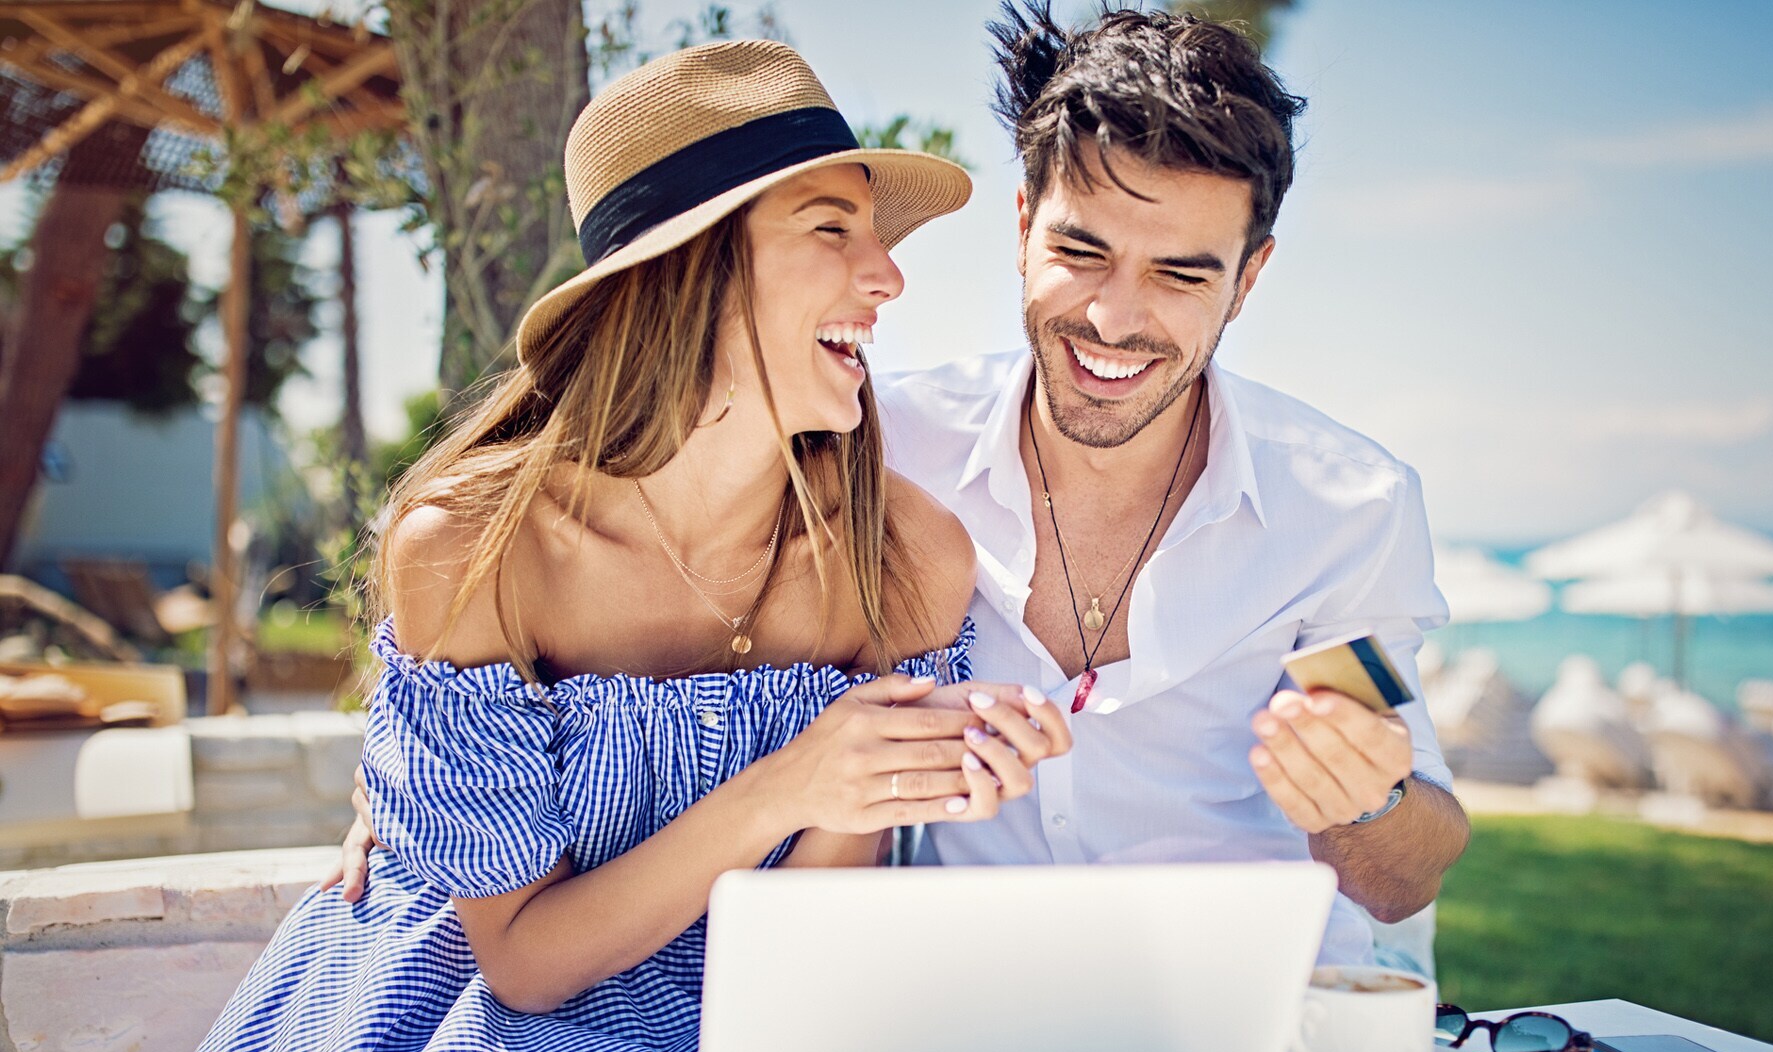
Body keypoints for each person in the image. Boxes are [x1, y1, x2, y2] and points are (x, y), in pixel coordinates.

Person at [331, 4, 1470, 971]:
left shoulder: (1345, 511)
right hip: (961, 1003)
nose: (1117, 319)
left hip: (1246, 1003)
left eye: (1181, 274)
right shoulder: (869, 453)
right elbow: (539, 632)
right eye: (1081, 253)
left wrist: (1365, 799)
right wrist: (424, 781)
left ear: (1250, 275)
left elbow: (1402, 873)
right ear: (1021, 229)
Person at [139, 42, 1068, 1052]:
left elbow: (808, 948)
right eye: (832, 228)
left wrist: (875, 781)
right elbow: (524, 963)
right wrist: (787, 788)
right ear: (691, 266)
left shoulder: (905, 555)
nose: (889, 277)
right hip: (462, 1013)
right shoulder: (474, 549)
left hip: (740, 1012)